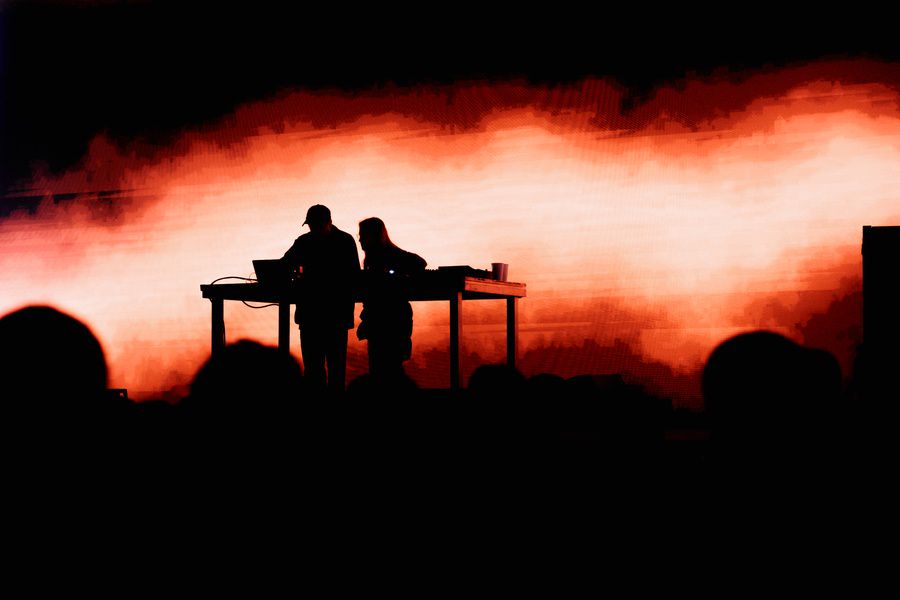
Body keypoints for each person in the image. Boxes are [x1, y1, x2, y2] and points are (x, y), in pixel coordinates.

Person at [282, 204, 360, 394]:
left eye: (314, 225)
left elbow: (353, 277)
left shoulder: (340, 241)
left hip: (325, 316)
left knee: (329, 369)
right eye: (311, 225)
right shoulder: (341, 240)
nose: (312, 229)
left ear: (329, 222)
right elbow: (284, 264)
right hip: (324, 316)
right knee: (318, 370)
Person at [356, 217, 427, 380]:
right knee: (389, 368)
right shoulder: (378, 258)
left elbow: (419, 262)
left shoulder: (385, 256)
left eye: (363, 235)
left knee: (385, 369)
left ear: (373, 236)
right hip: (389, 320)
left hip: (390, 321)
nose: (360, 240)